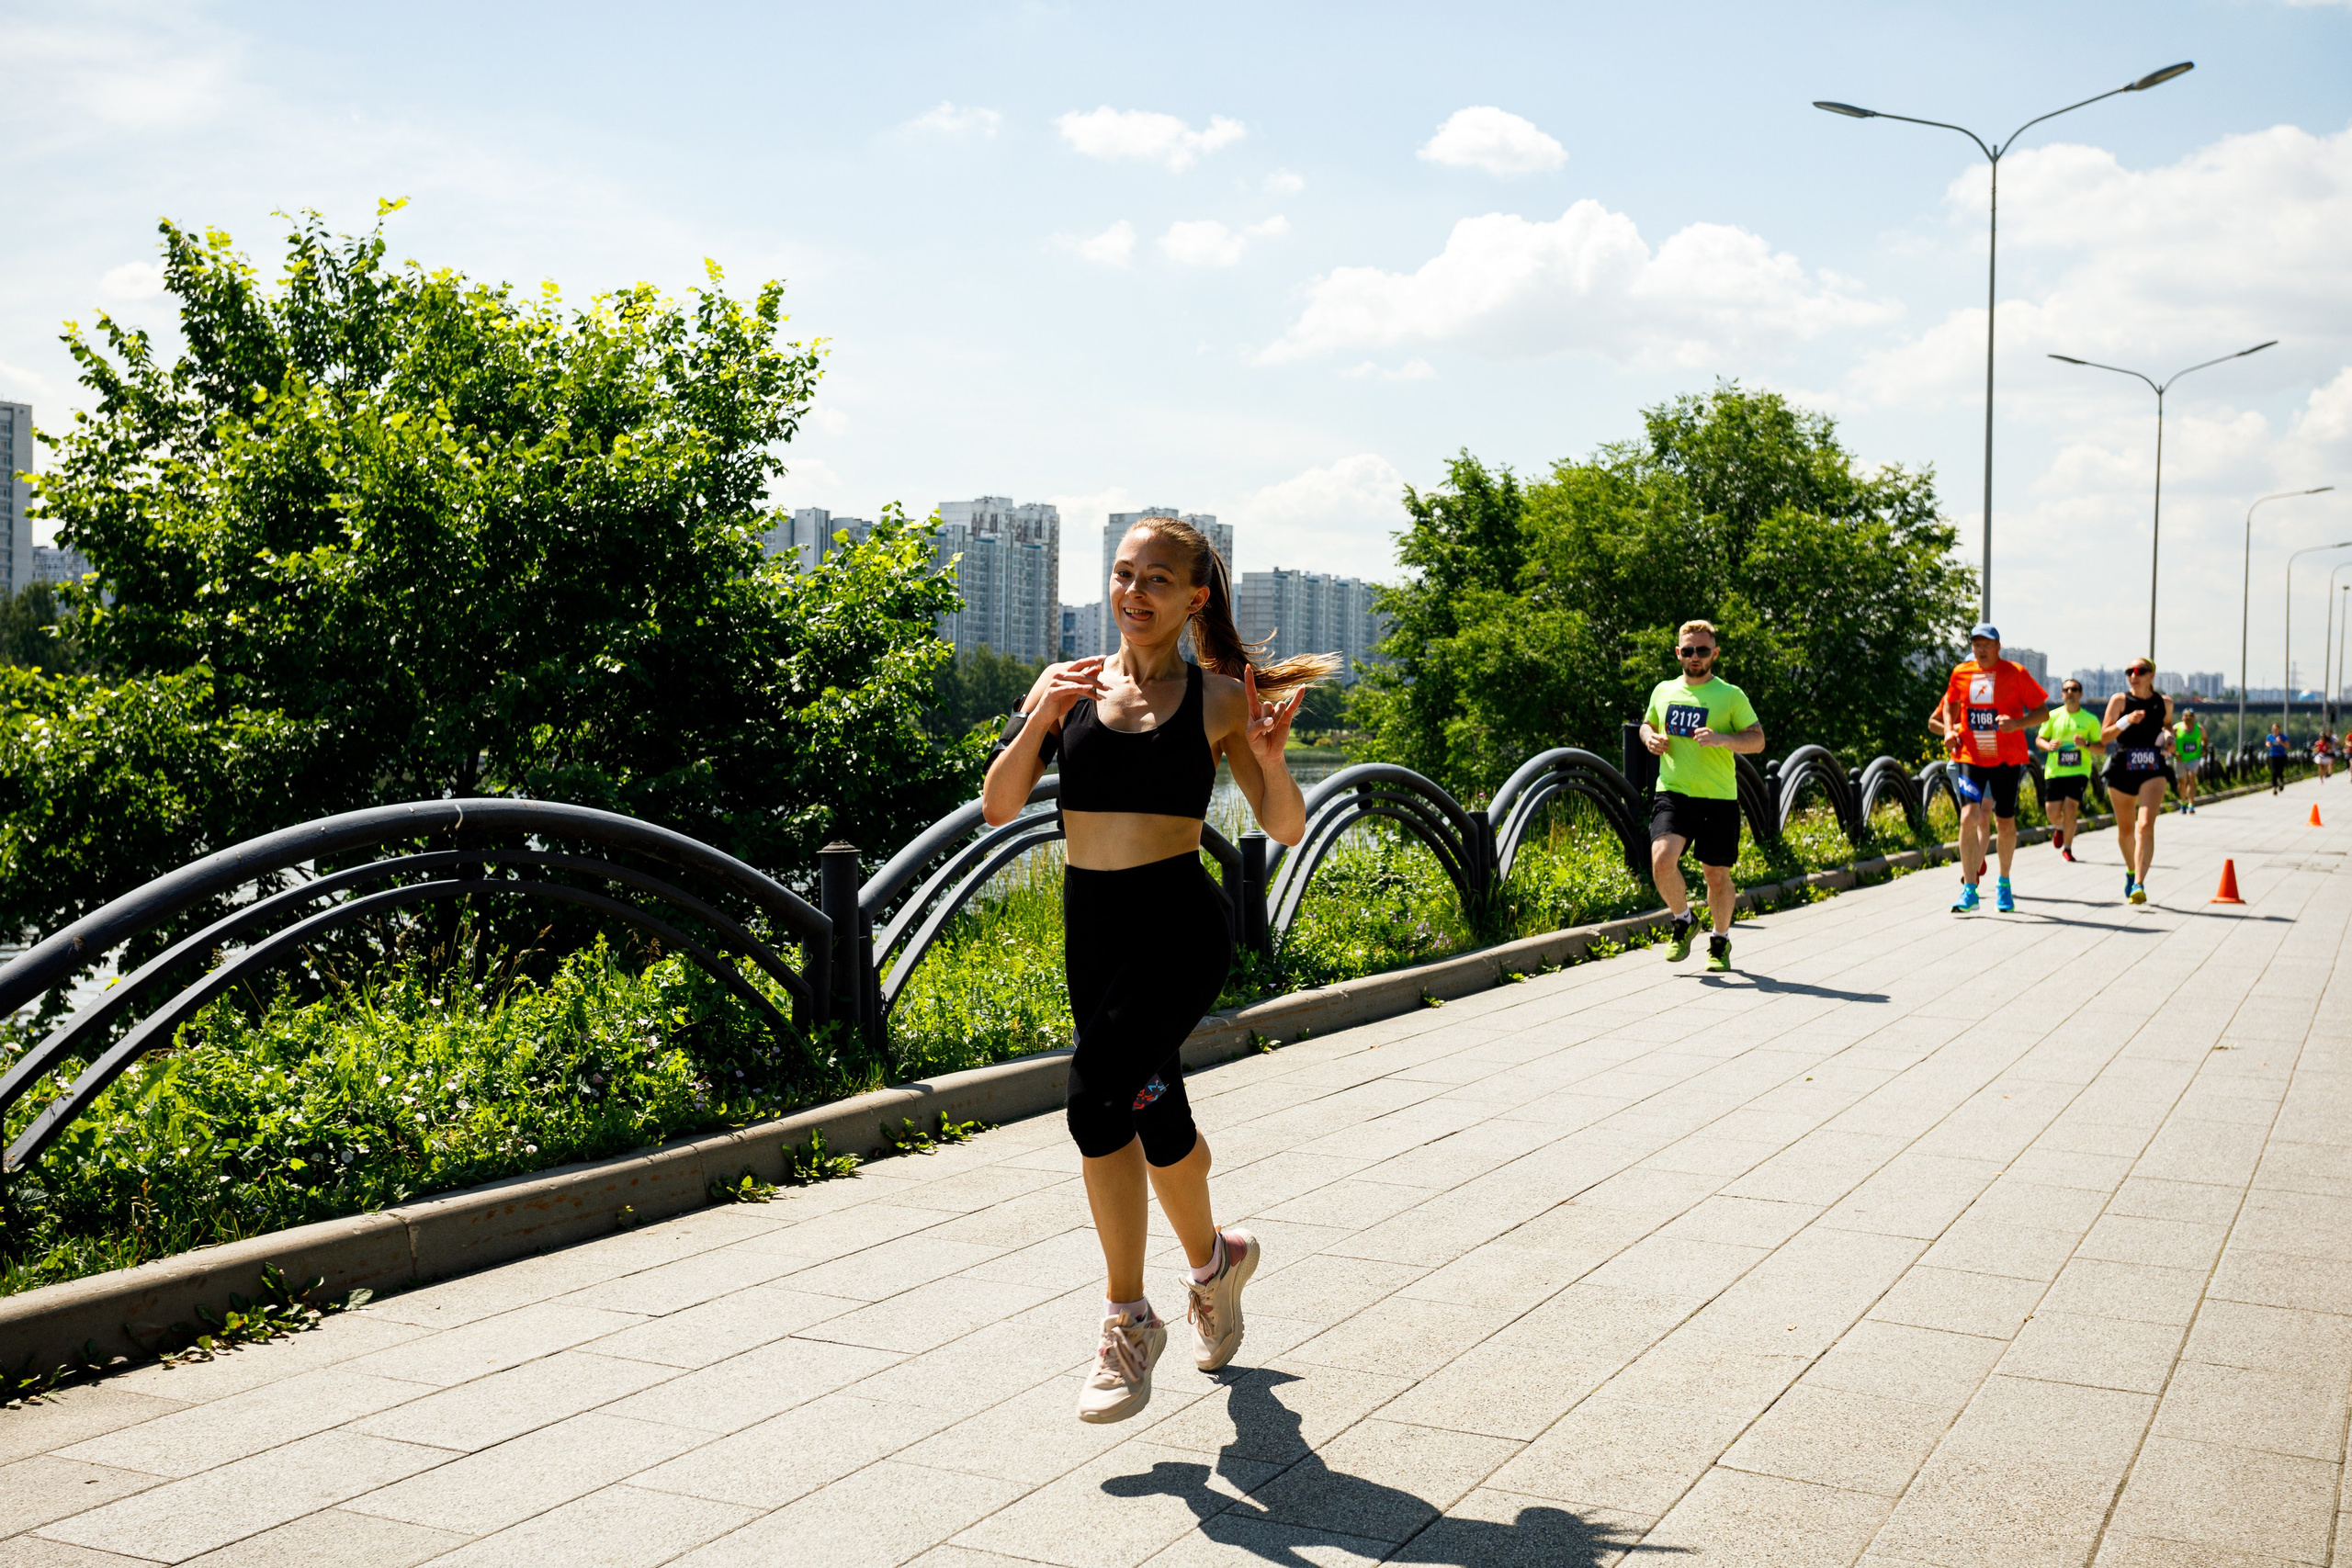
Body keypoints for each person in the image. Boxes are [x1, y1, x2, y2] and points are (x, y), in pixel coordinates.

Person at [981, 517, 1336, 1425]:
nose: (1133, 593)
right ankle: (1218, 1265)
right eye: (1122, 574)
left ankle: (1127, 1322)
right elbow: (999, 806)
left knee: (1096, 1099)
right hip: (1090, 928)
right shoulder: (1065, 687)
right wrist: (1041, 717)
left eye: (1157, 580)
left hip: (1179, 925)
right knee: (1150, 1102)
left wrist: (1268, 760)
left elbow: (1285, 826)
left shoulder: (1219, 698)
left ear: (1193, 598)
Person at [1640, 620, 1766, 974]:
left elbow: (1757, 740)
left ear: (1715, 653)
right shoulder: (1663, 690)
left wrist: (1724, 738)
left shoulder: (1730, 695)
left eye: (1703, 650)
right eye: (1689, 650)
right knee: (1662, 861)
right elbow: (1647, 724)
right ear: (1679, 653)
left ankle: (1720, 940)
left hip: (1718, 798)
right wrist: (1649, 738)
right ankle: (1683, 920)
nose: (1696, 657)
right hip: (1674, 792)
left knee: (1716, 875)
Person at [1928, 624, 2052, 914]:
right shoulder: (1961, 673)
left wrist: (2017, 723)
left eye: (1987, 644)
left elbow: (2042, 712)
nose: (1981, 650)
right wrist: (1948, 729)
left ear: (1998, 646)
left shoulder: (2016, 673)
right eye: (1976, 644)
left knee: (2004, 823)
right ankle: (1969, 888)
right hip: (1970, 756)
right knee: (1968, 817)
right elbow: (1949, 705)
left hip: (2006, 759)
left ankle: (2004, 883)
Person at [2102, 660, 2175, 905]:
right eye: (2130, 672)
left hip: (2153, 768)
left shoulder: (2164, 703)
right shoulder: (2120, 701)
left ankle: (2139, 884)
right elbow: (2104, 736)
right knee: (2126, 830)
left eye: (2140, 671)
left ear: (2151, 675)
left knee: (2145, 826)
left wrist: (2168, 738)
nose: (2134, 675)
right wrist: (2127, 721)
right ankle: (2131, 870)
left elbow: (2166, 728)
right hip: (2123, 766)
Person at [2036, 678, 2104, 861]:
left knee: (2071, 807)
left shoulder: (2090, 720)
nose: (2070, 692)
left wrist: (2086, 743)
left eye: (2074, 689)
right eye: (2066, 689)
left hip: (2079, 770)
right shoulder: (2053, 716)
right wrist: (2048, 745)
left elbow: (2101, 748)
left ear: (2080, 694)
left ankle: (2068, 848)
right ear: (2062, 694)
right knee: (2052, 812)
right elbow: (2039, 739)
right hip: (2055, 771)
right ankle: (2059, 827)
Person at [2172, 705, 2206, 813]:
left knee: (2191, 778)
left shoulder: (2199, 728)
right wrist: (2174, 752)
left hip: (2194, 757)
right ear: (2182, 717)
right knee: (2182, 781)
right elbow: (2169, 741)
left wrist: (2204, 748)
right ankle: (2183, 802)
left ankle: (2191, 803)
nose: (2188, 718)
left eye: (2191, 716)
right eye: (2186, 716)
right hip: (2180, 758)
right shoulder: (2176, 728)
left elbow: (2205, 739)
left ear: (2194, 717)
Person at [2267, 722, 2290, 795]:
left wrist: (2280, 742)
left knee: (2280, 771)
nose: (2275, 730)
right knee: (2274, 771)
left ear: (2279, 730)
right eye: (2273, 729)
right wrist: (2268, 745)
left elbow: (2287, 746)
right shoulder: (2269, 737)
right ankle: (2274, 787)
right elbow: (2267, 743)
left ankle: (2281, 782)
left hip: (2281, 756)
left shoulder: (2283, 737)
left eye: (2276, 729)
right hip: (2273, 756)